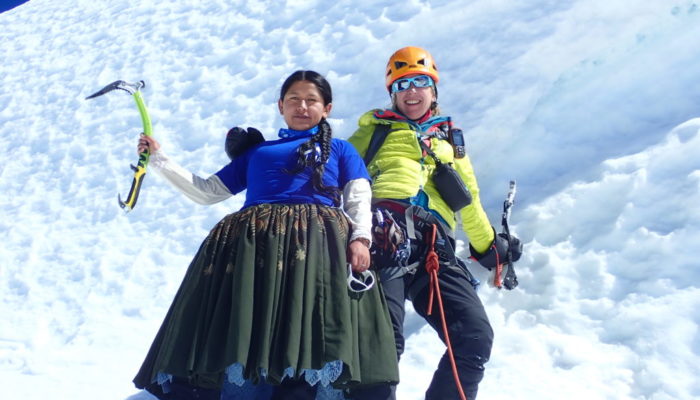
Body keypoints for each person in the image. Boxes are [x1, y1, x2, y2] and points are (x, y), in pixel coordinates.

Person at [132, 70, 399, 400]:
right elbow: (207, 191)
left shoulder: (342, 150)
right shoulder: (257, 153)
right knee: (247, 321)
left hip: (317, 246)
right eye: (293, 100)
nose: (302, 106)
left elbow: (358, 196)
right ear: (280, 106)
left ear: (326, 108)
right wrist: (159, 158)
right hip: (254, 247)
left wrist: (361, 238)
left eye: (311, 100)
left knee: (308, 322)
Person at [346, 47, 523, 400]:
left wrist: (489, 247)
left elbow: (467, 198)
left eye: (421, 82)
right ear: (392, 93)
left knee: (473, 334)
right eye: (403, 83)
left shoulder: (451, 143)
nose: (412, 91)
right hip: (384, 238)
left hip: (435, 248)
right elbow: (331, 169)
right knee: (381, 343)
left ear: (434, 89)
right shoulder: (372, 133)